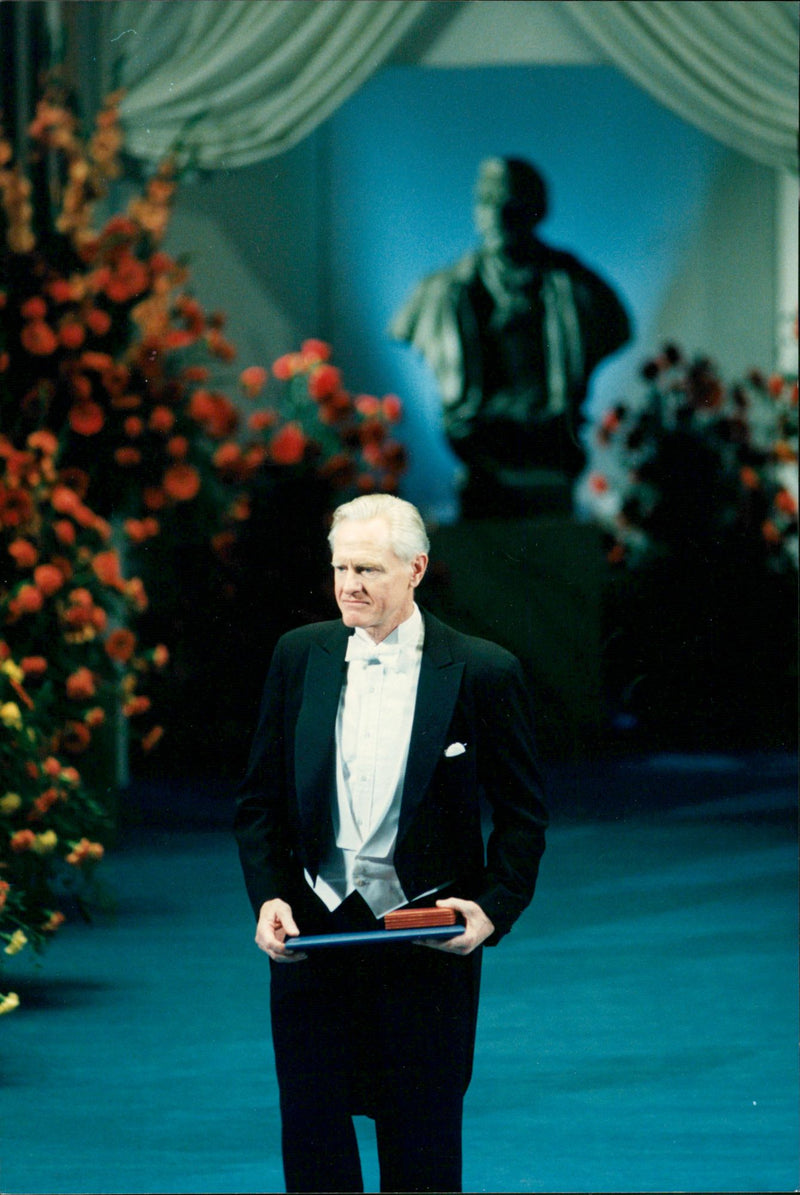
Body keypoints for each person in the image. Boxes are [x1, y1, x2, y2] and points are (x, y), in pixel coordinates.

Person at [234, 492, 548, 1193]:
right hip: (314, 937)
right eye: (342, 566)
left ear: (416, 569)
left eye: (370, 569)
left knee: (422, 1147)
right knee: (312, 1140)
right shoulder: (298, 656)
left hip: (424, 942)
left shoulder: (483, 670)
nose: (350, 584)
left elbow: (525, 816)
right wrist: (270, 898)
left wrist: (492, 908)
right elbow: (257, 803)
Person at [391, 156, 631, 516]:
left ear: (538, 209)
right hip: (482, 440)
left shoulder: (581, 289)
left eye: (511, 200)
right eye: (486, 199)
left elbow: (618, 329)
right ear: (476, 210)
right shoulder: (438, 292)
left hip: (552, 440)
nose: (498, 211)